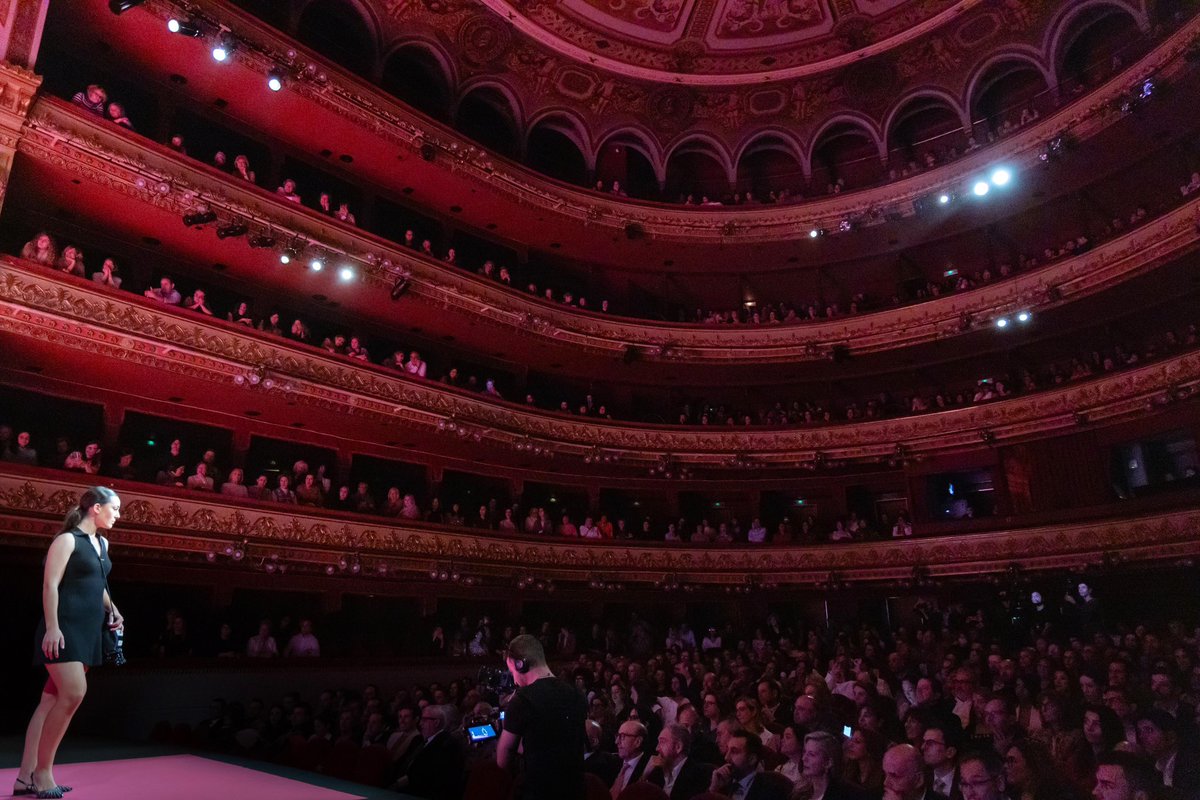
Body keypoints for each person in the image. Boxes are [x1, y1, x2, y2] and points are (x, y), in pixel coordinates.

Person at [18, 487, 124, 800]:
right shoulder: (66, 540)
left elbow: (96, 585)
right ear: (95, 508)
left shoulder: (102, 543)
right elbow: (50, 585)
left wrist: (113, 609)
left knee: (50, 702)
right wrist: (52, 627)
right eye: (114, 509)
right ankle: (43, 773)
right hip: (64, 629)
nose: (117, 515)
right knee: (74, 693)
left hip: (88, 632)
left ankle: (24, 778)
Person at [496, 634, 587, 799]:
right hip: (574, 792)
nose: (514, 680)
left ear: (520, 664)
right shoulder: (577, 694)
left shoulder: (523, 699)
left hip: (539, 792)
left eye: (512, 671)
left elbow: (503, 759)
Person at [709, 729, 793, 799]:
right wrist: (713, 790)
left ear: (752, 759)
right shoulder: (723, 783)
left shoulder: (768, 789)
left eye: (734, 752)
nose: (726, 757)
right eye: (728, 750)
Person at [642, 722, 715, 799]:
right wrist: (645, 775)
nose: (657, 748)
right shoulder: (656, 771)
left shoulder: (698, 776)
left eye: (662, 742)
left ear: (678, 747)